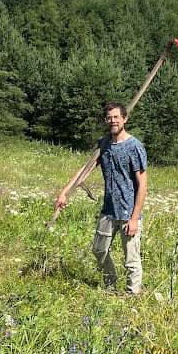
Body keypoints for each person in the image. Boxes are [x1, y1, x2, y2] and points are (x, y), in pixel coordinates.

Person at [54, 101, 147, 295]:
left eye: (116, 117)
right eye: (109, 118)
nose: (113, 121)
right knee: (98, 249)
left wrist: (134, 218)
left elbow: (142, 185)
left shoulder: (134, 147)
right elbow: (85, 169)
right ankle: (110, 284)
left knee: (131, 259)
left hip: (128, 211)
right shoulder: (103, 144)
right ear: (106, 120)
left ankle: (132, 296)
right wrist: (64, 192)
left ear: (124, 119)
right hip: (108, 210)